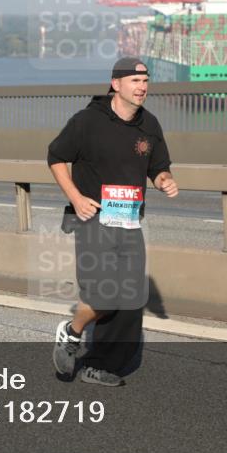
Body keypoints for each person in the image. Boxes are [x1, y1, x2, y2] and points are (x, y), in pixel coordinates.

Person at [48, 57, 178, 386]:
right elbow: (56, 157)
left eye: (146, 81)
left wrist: (164, 180)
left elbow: (158, 168)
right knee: (105, 295)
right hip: (94, 221)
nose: (142, 87)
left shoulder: (149, 125)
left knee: (131, 301)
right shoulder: (87, 121)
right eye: (135, 81)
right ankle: (72, 331)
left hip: (130, 223)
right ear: (115, 84)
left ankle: (99, 365)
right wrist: (76, 198)